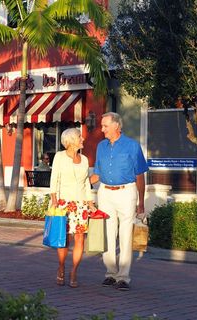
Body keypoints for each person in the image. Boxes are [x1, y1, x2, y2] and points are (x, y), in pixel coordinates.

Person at [90, 112, 148, 291]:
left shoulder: (132, 146)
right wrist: (80, 185)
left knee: (125, 235)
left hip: (126, 192)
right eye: (102, 125)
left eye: (105, 126)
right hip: (105, 192)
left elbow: (140, 175)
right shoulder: (101, 146)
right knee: (107, 234)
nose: (102, 129)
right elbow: (97, 174)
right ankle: (110, 273)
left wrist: (141, 202)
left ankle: (123, 277)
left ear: (116, 126)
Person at [49, 128, 96, 288]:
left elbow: (86, 184)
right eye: (79, 136)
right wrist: (54, 199)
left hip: (81, 205)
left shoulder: (84, 159)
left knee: (79, 238)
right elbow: (54, 179)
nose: (82, 138)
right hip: (64, 203)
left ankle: (74, 270)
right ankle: (61, 267)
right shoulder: (59, 157)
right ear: (69, 141)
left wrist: (90, 204)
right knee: (64, 239)